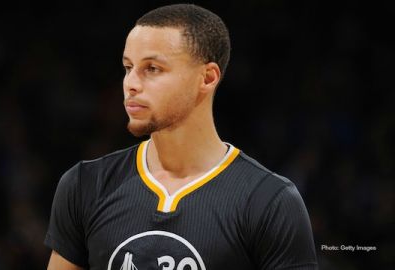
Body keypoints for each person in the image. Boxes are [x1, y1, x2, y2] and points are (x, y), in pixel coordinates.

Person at [45, 4, 318, 270]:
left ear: (208, 78)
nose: (131, 83)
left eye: (152, 68)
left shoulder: (270, 201)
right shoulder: (84, 185)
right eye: (128, 67)